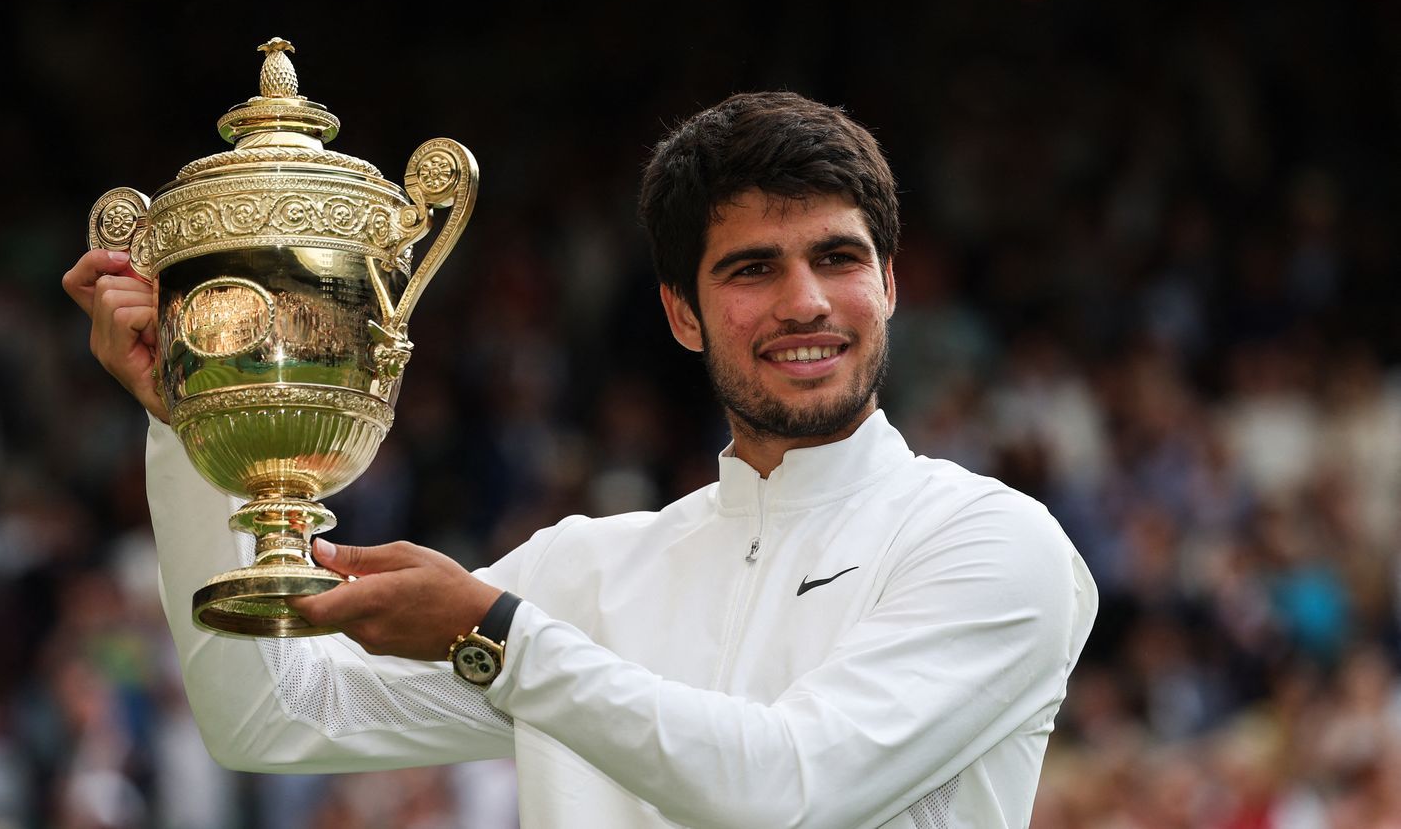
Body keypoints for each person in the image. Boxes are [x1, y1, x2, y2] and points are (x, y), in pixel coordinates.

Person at [64, 91, 1097, 828]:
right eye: (752, 269)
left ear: (890, 286)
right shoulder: (590, 569)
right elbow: (274, 719)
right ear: (682, 316)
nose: (805, 303)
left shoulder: (993, 545)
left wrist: (499, 638)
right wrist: (193, 420)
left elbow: (789, 794)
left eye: (838, 258)